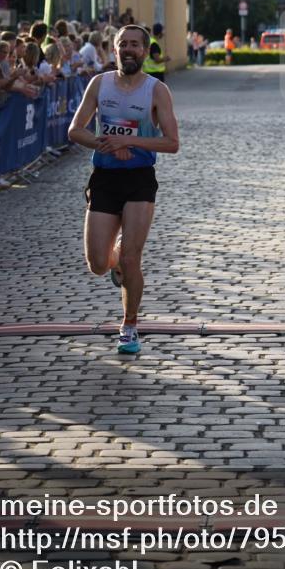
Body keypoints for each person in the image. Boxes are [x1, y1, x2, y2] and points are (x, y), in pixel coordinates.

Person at [68, 25, 179, 355]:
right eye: (122, 45)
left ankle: (129, 326)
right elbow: (76, 130)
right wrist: (106, 144)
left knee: (133, 259)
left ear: (145, 51)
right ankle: (115, 262)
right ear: (113, 50)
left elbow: (172, 143)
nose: (128, 50)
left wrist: (128, 141)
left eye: (134, 45)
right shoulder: (99, 84)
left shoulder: (156, 91)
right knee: (98, 263)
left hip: (139, 178)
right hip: (105, 177)